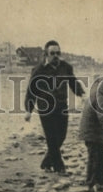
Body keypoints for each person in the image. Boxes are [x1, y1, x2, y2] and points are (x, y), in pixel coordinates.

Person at [24, 41, 84, 173]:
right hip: (45, 108)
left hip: (62, 106)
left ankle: (46, 162)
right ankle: (59, 167)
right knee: (51, 138)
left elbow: (73, 82)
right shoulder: (38, 70)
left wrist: (81, 94)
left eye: (58, 53)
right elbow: (31, 91)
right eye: (52, 53)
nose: (56, 56)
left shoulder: (66, 67)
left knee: (61, 136)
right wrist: (28, 110)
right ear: (46, 54)